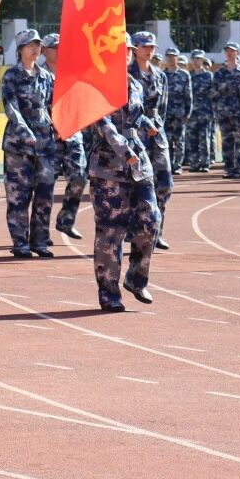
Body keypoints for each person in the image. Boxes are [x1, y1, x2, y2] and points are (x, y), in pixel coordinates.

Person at [87, 54, 158, 312]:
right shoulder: (97, 83)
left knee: (151, 219)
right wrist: (123, 149)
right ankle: (109, 293)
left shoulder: (135, 83)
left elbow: (135, 116)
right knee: (110, 232)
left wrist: (148, 124)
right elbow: (103, 123)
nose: (126, 53)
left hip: (138, 161)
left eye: (129, 49)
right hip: (109, 165)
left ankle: (136, 278)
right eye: (121, 49)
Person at [1, 30, 58, 259]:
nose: (36, 49)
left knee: (45, 193)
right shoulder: (12, 76)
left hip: (45, 144)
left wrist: (59, 127)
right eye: (30, 45)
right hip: (19, 144)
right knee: (19, 195)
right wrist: (25, 131)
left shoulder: (46, 77)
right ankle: (20, 243)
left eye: (38, 45)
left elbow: (53, 105)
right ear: (20, 49)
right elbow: (11, 107)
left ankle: (40, 241)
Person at [128, 32, 173, 249]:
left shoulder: (160, 75)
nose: (149, 50)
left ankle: (156, 231)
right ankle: (134, 231)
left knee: (164, 183)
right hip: (135, 134)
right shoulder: (127, 74)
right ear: (135, 48)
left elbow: (162, 107)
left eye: (152, 46)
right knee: (135, 185)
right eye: (145, 46)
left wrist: (157, 126)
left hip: (156, 134)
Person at [44, 34, 89, 239]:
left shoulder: (73, 73)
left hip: (72, 135)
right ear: (44, 51)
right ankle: (41, 233)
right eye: (54, 47)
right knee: (46, 185)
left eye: (61, 47)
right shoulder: (39, 74)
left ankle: (66, 220)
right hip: (49, 137)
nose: (58, 50)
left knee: (79, 178)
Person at [213, 42, 240, 178]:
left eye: (232, 51)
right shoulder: (219, 73)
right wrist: (216, 109)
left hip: (239, 112)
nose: (229, 53)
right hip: (223, 112)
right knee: (227, 141)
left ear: (237, 53)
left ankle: (239, 168)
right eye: (227, 51)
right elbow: (214, 93)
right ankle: (229, 168)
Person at [162, 47, 192, 176]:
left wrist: (188, 112)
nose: (170, 58)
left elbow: (188, 95)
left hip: (179, 112)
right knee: (166, 140)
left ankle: (177, 166)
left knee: (179, 140)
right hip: (165, 113)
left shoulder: (184, 75)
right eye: (168, 56)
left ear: (177, 58)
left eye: (173, 56)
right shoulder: (161, 75)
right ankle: (169, 165)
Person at [186, 50, 215, 172]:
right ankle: (194, 163)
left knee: (204, 139)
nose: (196, 61)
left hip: (205, 112)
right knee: (192, 138)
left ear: (202, 60)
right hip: (192, 113)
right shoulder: (189, 76)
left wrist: (213, 112)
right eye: (194, 58)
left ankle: (204, 163)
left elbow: (213, 94)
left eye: (198, 59)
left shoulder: (209, 76)